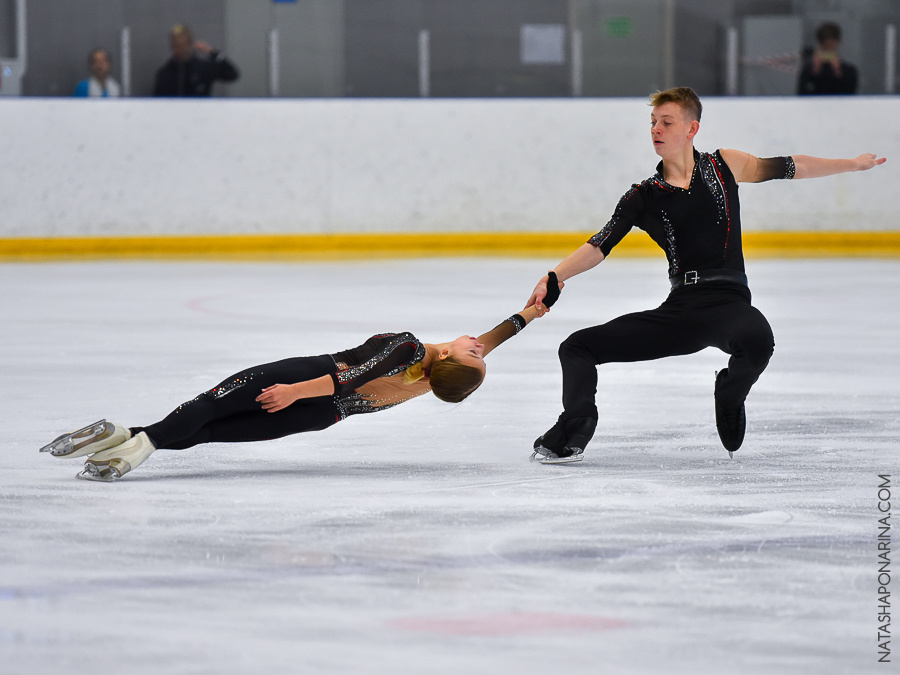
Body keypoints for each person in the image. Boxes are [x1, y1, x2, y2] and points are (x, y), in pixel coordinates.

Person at [525, 86, 885, 463]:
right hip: (680, 312)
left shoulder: (724, 164)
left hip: (729, 304)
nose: (656, 130)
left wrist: (852, 164)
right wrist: (554, 275)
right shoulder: (643, 195)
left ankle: (729, 393)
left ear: (692, 127)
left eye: (666, 122)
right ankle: (577, 421)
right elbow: (600, 244)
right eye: (652, 123)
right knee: (577, 347)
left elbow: (791, 167)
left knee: (759, 339)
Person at [39, 302, 547, 481]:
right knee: (207, 428)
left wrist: (291, 391)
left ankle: (126, 444)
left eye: (476, 352)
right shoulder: (442, 377)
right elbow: (491, 340)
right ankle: (125, 442)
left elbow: (346, 377)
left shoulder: (413, 351)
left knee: (204, 414)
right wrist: (529, 313)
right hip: (321, 413)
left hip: (305, 385)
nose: (479, 345)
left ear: (457, 360)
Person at [153, 24, 239, 97]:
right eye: (176, 45)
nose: (180, 49)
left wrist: (213, 52)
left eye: (183, 44)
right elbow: (157, 101)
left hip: (201, 114)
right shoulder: (165, 73)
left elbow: (232, 74)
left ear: (190, 44)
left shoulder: (204, 68)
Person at [798, 22, 858, 95]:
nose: (829, 50)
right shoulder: (808, 71)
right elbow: (802, 96)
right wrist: (815, 72)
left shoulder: (849, 71)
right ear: (819, 45)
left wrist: (838, 72)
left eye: (831, 46)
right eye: (825, 47)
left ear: (838, 44)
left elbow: (850, 95)